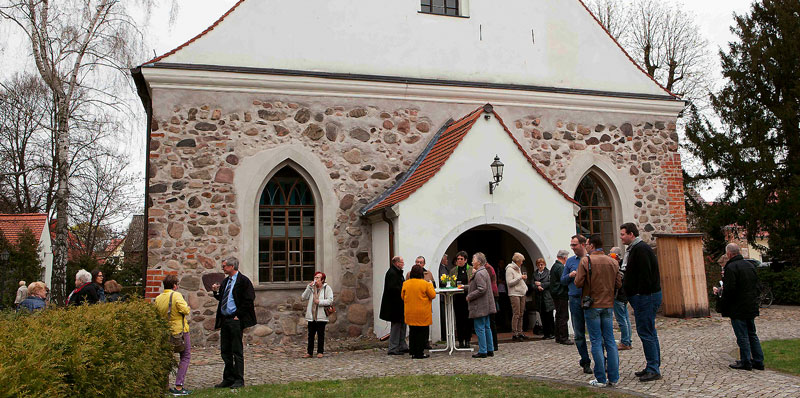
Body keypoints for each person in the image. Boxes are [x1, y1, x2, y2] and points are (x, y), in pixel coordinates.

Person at [575, 235, 622, 387]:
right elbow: (618, 284)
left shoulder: (586, 260)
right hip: (608, 304)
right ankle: (614, 378)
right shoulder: (612, 261)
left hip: (592, 305)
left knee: (596, 341)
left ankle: (601, 378)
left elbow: (578, 283)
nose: (586, 246)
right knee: (610, 341)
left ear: (593, 245)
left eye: (587, 244)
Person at [620, 222, 662, 382]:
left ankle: (653, 368)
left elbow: (645, 275)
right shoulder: (636, 249)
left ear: (631, 234)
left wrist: (638, 295)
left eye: (623, 234)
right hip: (644, 296)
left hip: (646, 297)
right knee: (649, 331)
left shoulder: (641, 249)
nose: (621, 237)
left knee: (646, 332)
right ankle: (652, 365)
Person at [211, 257, 257, 389]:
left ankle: (239, 379)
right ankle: (228, 378)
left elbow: (249, 300)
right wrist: (215, 292)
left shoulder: (243, 281)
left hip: (235, 320)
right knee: (225, 350)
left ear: (232, 267)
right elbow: (223, 299)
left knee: (237, 350)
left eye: (225, 266)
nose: (223, 268)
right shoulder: (226, 281)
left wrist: (239, 315)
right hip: (225, 319)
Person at [719, 243, 764, 371]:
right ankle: (758, 360)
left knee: (742, 335)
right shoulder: (750, 265)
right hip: (750, 304)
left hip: (738, 306)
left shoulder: (731, 267)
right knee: (752, 333)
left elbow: (730, 289)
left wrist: (723, 302)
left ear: (729, 254)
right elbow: (757, 285)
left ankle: (746, 361)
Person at [154, 275, 193, 396]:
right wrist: (188, 307)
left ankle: (164, 385)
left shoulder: (158, 298)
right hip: (179, 331)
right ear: (174, 285)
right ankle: (179, 385)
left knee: (166, 358)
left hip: (165, 331)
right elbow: (185, 310)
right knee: (185, 356)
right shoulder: (176, 295)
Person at [561, 235, 592, 374]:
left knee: (595, 332)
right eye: (571, 245)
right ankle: (585, 361)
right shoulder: (570, 262)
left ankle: (602, 359)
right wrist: (570, 276)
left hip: (590, 298)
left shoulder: (591, 259)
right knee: (579, 333)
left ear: (583, 245)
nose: (572, 248)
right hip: (574, 299)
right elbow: (562, 280)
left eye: (574, 245)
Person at [402, 264, 437, 359]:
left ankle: (413, 351)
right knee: (422, 333)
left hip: (410, 312)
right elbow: (433, 295)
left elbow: (402, 296)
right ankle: (420, 352)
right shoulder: (425, 284)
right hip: (422, 312)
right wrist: (430, 284)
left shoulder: (406, 284)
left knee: (413, 332)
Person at [465, 252, 496, 358]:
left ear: (478, 262)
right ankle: (490, 349)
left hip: (480, 305)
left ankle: (483, 350)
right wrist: (466, 287)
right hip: (485, 304)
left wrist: (470, 296)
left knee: (480, 328)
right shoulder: (484, 271)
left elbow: (481, 289)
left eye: (473, 259)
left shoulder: (479, 273)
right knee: (487, 327)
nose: (472, 261)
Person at [380, 256, 408, 355]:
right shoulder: (392, 273)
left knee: (402, 324)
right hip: (395, 304)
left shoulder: (397, 272)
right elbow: (393, 289)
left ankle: (401, 345)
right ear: (396, 263)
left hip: (399, 303)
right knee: (396, 326)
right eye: (402, 262)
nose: (403, 264)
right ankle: (393, 347)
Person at [302, 271, 334, 358]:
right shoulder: (311, 288)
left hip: (321, 315)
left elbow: (330, 300)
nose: (316, 279)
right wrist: (308, 287)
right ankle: (309, 352)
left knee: (320, 334)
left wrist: (319, 302)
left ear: (322, 280)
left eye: (318, 278)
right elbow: (303, 297)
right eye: (315, 277)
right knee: (310, 335)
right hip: (312, 315)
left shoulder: (327, 288)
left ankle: (320, 351)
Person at [610, 247, 632, 351]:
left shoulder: (620, 267)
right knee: (625, 319)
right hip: (623, 295)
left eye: (612, 255)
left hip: (619, 296)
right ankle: (628, 340)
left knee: (622, 320)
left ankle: (625, 341)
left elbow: (618, 283)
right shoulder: (622, 265)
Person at [449, 251, 472, 348]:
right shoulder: (453, 270)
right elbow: (450, 282)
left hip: (468, 297)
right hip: (457, 297)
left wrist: (465, 287)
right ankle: (461, 340)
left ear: (465, 260)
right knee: (459, 319)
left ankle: (468, 339)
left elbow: (473, 283)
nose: (459, 261)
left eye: (461, 259)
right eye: (458, 259)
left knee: (468, 319)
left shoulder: (471, 269)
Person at [550, 250, 573, 345]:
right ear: (564, 257)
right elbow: (563, 280)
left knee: (559, 315)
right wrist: (570, 276)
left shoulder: (555, 266)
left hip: (556, 294)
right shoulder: (560, 267)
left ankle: (558, 336)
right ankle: (563, 337)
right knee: (563, 316)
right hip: (561, 294)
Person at [506, 253, 528, 341]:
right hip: (514, 293)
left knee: (521, 313)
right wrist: (520, 277)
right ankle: (515, 333)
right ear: (518, 261)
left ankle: (520, 331)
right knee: (516, 313)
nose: (522, 263)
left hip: (522, 293)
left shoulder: (518, 268)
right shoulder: (509, 269)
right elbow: (509, 282)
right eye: (521, 261)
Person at [533, 258, 555, 340]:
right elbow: (532, 284)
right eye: (538, 264)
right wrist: (537, 287)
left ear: (544, 264)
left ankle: (552, 333)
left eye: (541, 264)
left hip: (547, 297)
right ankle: (546, 333)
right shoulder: (535, 274)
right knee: (542, 316)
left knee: (549, 316)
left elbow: (551, 283)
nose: (540, 266)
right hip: (539, 298)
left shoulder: (548, 272)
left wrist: (542, 285)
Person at [484, 261, 500, 350]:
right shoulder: (488, 267)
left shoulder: (488, 268)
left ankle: (493, 344)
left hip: (492, 295)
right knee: (490, 321)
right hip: (492, 294)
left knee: (491, 321)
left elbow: (487, 282)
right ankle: (492, 344)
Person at [438, 254, 450, 341]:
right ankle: (444, 335)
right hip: (442, 296)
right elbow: (442, 280)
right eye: (446, 259)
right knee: (443, 316)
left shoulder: (444, 267)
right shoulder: (441, 268)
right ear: (442, 260)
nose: (447, 261)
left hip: (445, 296)